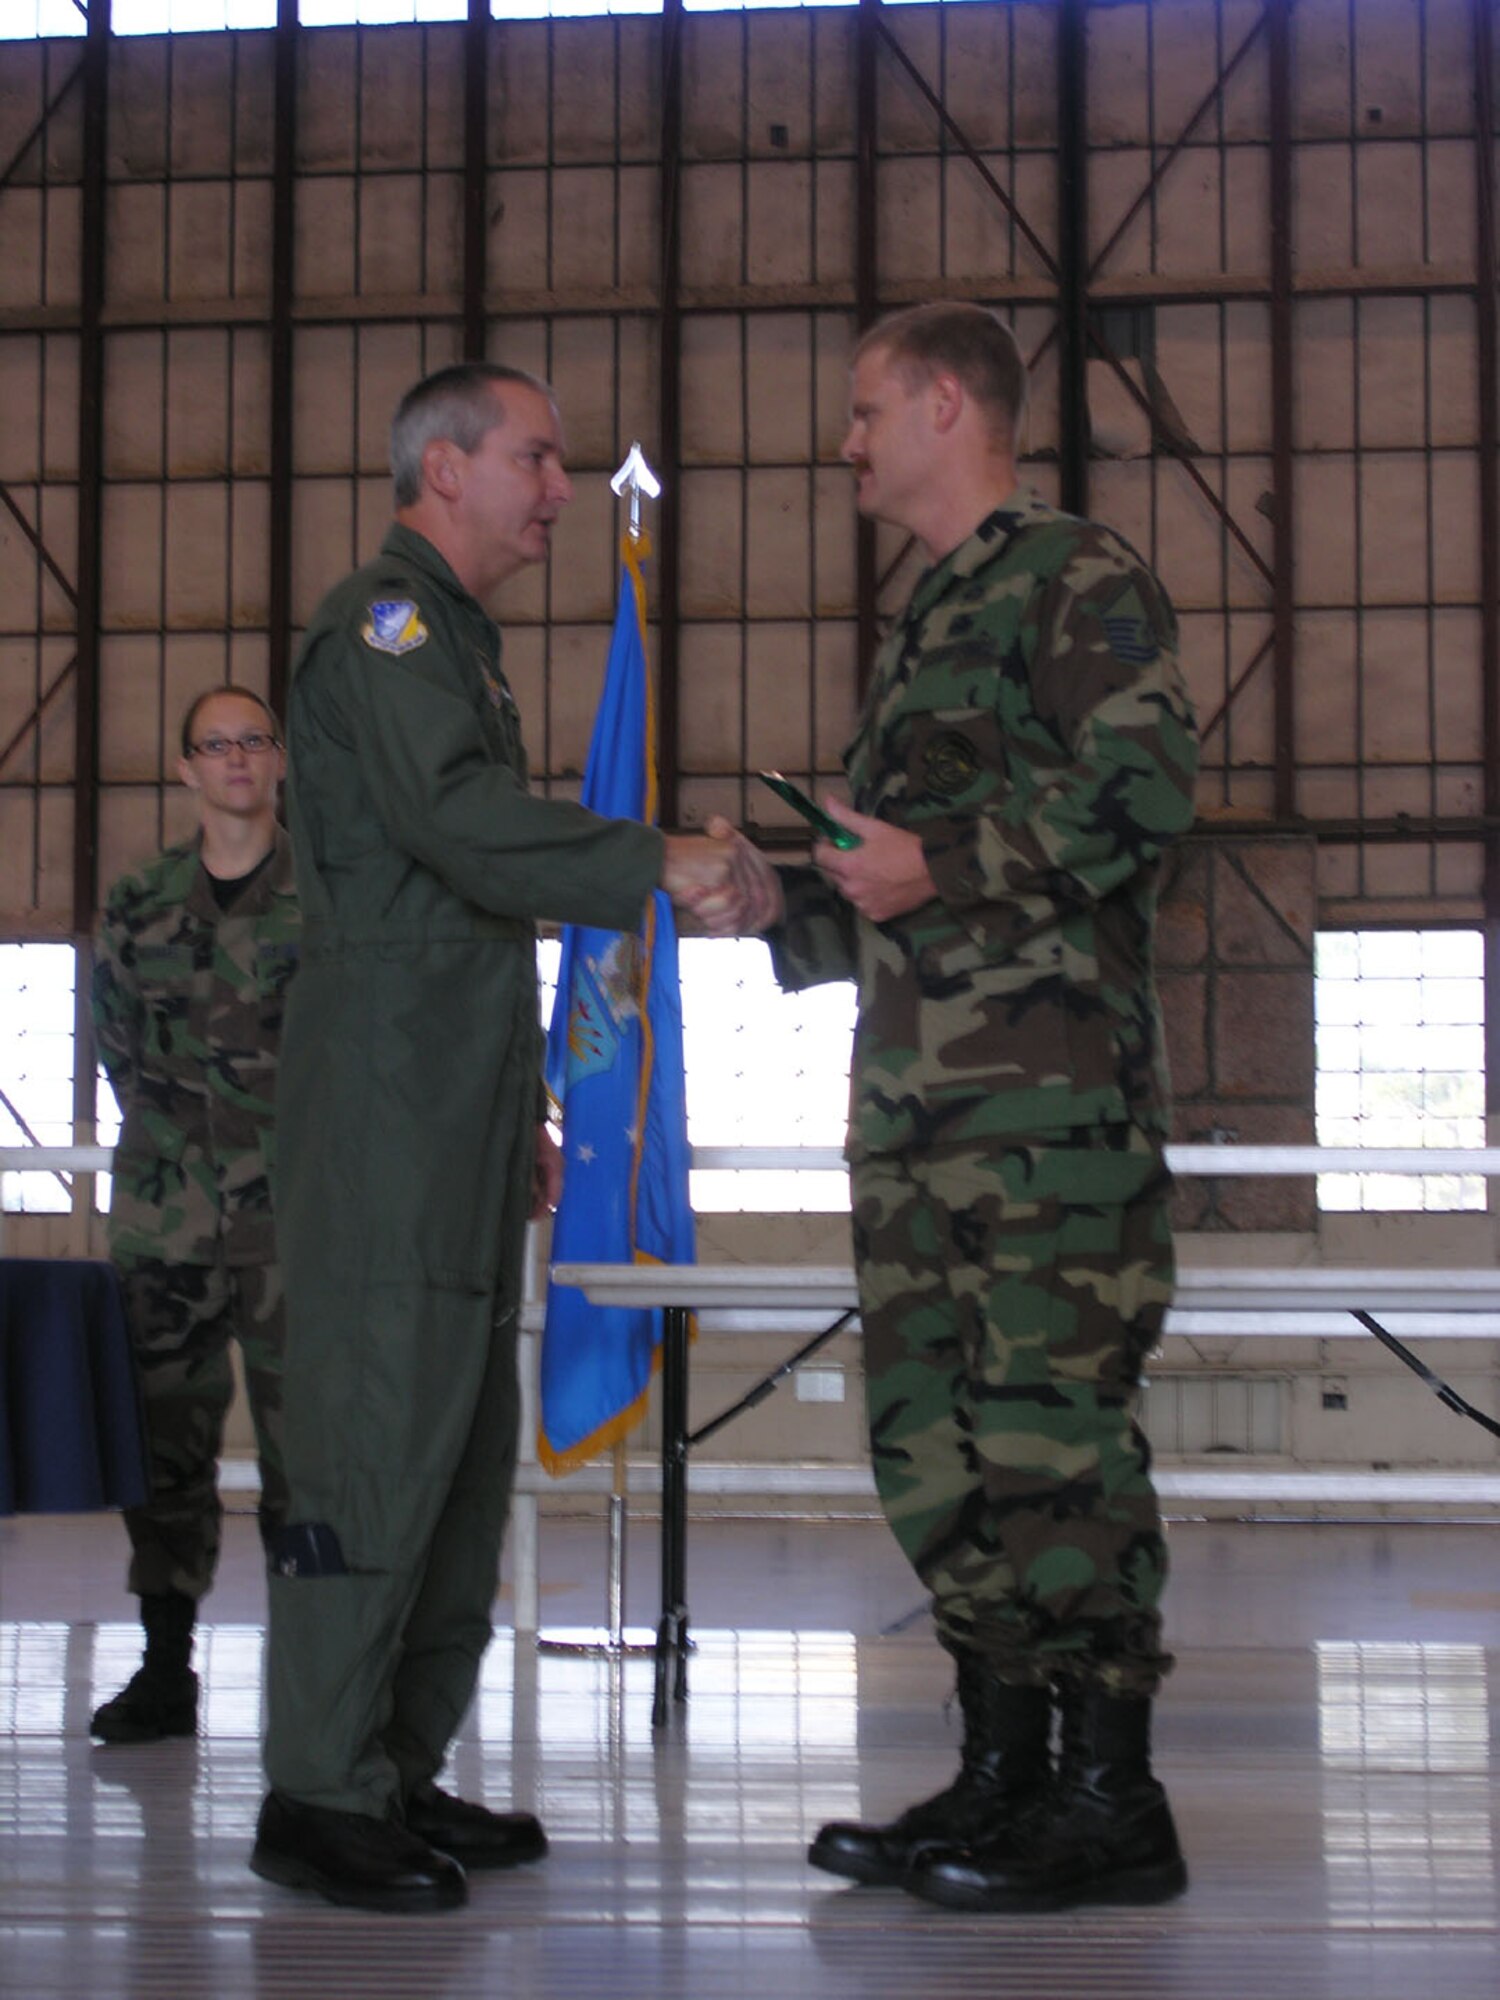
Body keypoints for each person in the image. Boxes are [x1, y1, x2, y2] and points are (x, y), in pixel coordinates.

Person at [251, 360, 745, 1913]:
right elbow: (459, 830)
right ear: (445, 467)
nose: (560, 488)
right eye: (536, 459)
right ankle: (317, 1793)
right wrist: (654, 860)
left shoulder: (460, 644)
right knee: (377, 1434)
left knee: (460, 1451)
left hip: (453, 1095)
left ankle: (393, 1764)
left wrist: (517, 1099)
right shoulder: (385, 629)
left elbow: (454, 907)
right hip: (385, 1106)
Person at [732, 303, 1200, 1912]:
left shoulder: (1076, 576)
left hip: (1050, 1120)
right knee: (936, 1450)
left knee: (1051, 1446)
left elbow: (1145, 792)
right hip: (920, 1118)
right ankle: (1004, 1773)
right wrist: (777, 905)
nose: (847, 441)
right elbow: (899, 889)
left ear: (946, 403)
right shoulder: (928, 615)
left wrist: (941, 861)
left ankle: (1112, 1798)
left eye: (866, 411)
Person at [90, 686, 299, 1744]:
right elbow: (115, 1046)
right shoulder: (138, 901)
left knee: (309, 1455)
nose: (233, 759)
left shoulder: (332, 897)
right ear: (185, 769)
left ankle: (317, 1676)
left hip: (299, 1228)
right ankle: (165, 1665)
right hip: (167, 1222)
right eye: (213, 745)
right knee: (164, 1451)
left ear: (277, 761)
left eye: (251, 741)